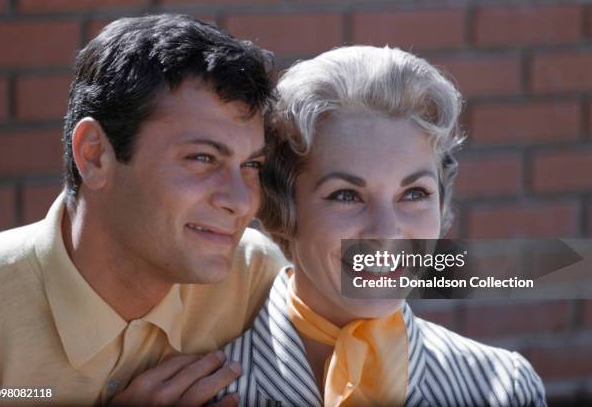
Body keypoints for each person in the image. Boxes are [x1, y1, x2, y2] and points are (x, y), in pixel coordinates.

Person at [0, 14, 290, 406]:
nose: (243, 201)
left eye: (251, 166)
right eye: (202, 157)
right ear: (94, 155)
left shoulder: (260, 279)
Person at [216, 45, 547, 406]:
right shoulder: (201, 394)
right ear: (283, 208)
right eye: (346, 195)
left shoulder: (503, 389)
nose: (387, 232)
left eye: (415, 193)